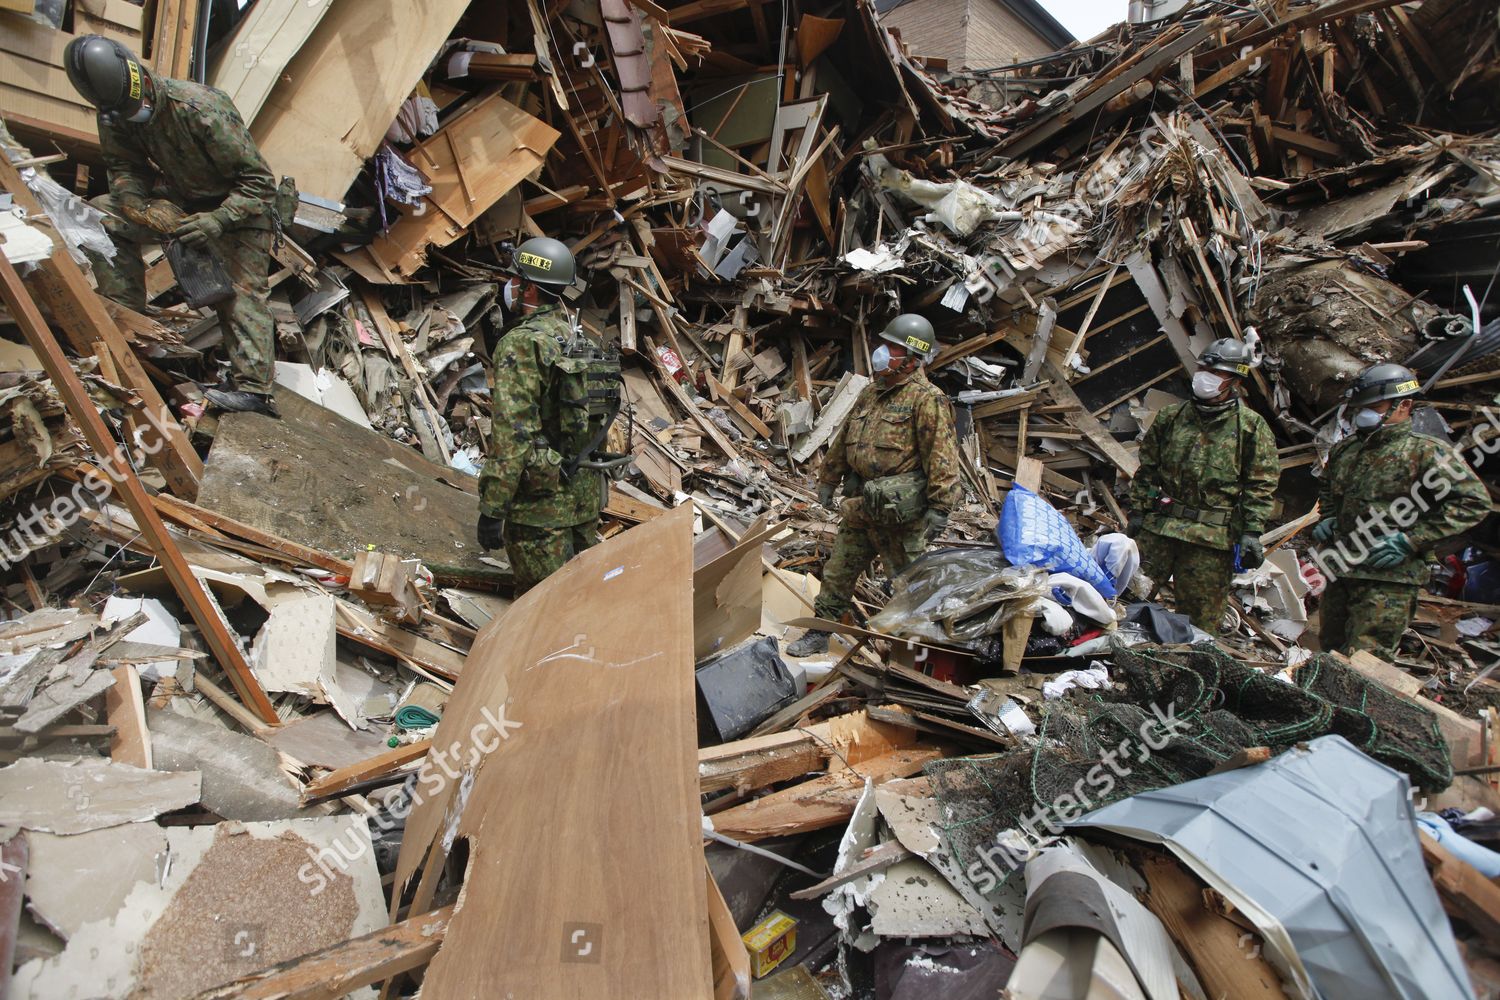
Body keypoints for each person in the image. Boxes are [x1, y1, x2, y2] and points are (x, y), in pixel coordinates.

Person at [63, 35, 284, 416]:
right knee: (104, 216)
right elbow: (124, 167)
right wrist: (136, 204)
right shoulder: (113, 114)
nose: (139, 112)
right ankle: (128, 328)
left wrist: (218, 221)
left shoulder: (201, 107)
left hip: (240, 206)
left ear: (142, 79)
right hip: (184, 199)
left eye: (142, 103)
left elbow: (260, 182)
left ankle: (255, 392)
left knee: (241, 291)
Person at [787, 314, 961, 656]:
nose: (882, 352)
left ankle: (913, 650)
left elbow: (942, 457)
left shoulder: (928, 400)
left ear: (912, 357)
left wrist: (940, 509)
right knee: (838, 570)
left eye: (892, 347)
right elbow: (844, 439)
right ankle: (819, 633)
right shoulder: (871, 392)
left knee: (909, 583)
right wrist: (828, 479)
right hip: (862, 505)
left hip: (901, 515)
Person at [476, 237, 623, 594]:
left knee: (541, 611)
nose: (508, 285)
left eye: (514, 278)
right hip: (583, 498)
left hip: (539, 509)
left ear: (528, 287)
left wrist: (493, 508)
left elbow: (513, 433)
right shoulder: (579, 338)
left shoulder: (522, 343)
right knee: (581, 601)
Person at [1313, 363, 1490, 656]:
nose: (1364, 414)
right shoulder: (1347, 450)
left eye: (1375, 406)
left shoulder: (1427, 453)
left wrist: (1412, 539)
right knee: (1329, 651)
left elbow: (1473, 503)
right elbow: (1328, 488)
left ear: (1404, 404)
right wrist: (1329, 516)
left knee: (1364, 662)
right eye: (1360, 408)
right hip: (1343, 571)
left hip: (1390, 580)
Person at [1127, 338, 1278, 631]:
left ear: (1234, 380)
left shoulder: (1251, 427)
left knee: (1198, 625)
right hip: (1160, 529)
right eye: (1202, 367)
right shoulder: (1172, 417)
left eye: (1215, 371)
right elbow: (1148, 470)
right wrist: (1138, 510)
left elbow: (1261, 484)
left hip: (1210, 541)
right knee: (1125, 600)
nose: (1204, 375)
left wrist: (1251, 532)